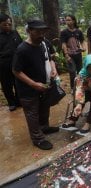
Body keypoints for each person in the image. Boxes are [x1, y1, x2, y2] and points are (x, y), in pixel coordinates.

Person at [12, 20, 59, 150]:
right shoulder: (22, 49)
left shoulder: (43, 44)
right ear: (29, 31)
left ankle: (44, 127)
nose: (41, 34)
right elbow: (16, 71)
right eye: (38, 31)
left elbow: (49, 59)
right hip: (28, 89)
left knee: (45, 108)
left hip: (44, 85)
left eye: (43, 31)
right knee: (32, 113)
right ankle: (37, 138)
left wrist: (53, 69)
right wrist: (33, 84)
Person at [0, 13, 22, 111]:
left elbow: (21, 46)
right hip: (3, 64)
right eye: (5, 24)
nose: (8, 26)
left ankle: (18, 101)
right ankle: (11, 103)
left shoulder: (15, 33)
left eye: (9, 24)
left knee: (18, 82)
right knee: (6, 84)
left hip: (16, 63)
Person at [60, 15, 85, 90]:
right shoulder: (64, 32)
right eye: (66, 20)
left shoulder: (78, 31)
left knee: (80, 71)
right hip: (70, 55)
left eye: (69, 20)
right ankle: (73, 88)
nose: (67, 22)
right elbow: (63, 44)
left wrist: (83, 48)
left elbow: (82, 40)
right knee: (72, 72)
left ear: (73, 21)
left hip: (78, 54)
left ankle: (80, 87)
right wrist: (66, 55)